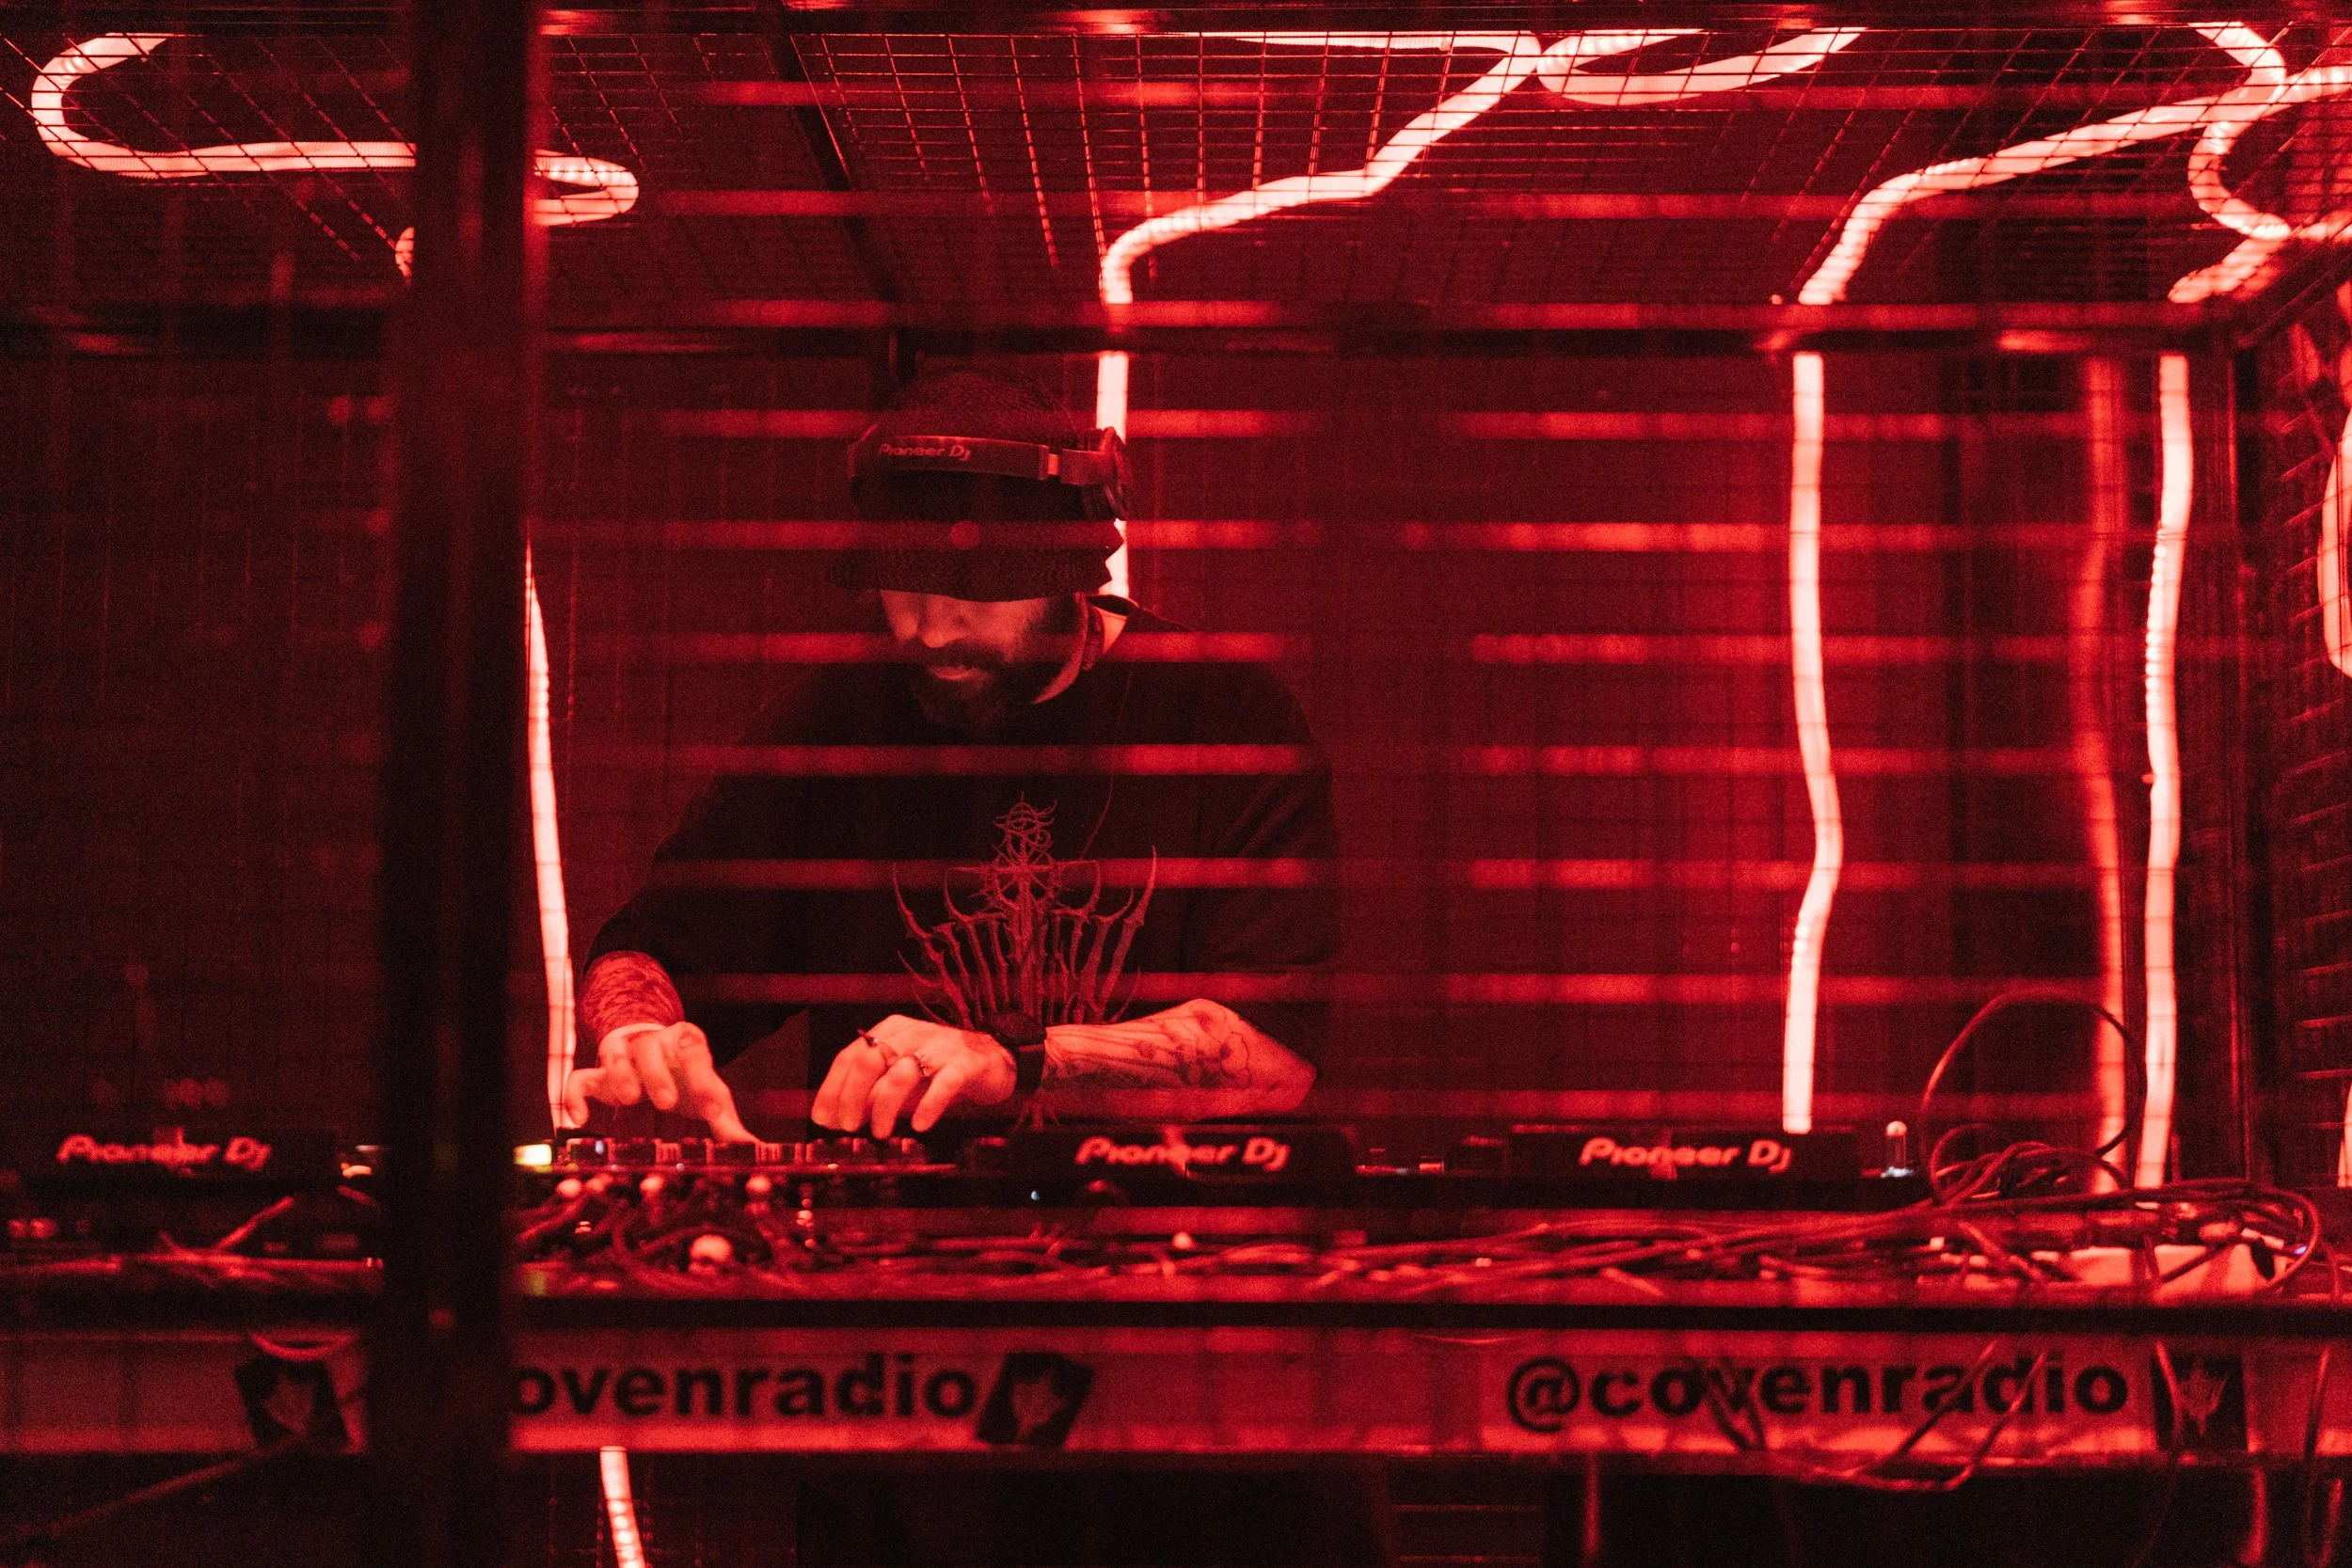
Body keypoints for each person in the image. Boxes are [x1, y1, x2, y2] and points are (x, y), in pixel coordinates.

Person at [563, 366, 1337, 1140]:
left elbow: (1273, 1054)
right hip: (888, 1213)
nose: (932, 631)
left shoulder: (1224, 714)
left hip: (1152, 1210)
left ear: (1064, 570)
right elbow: (647, 951)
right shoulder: (830, 728)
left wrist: (1011, 1060)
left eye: (974, 589)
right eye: (904, 586)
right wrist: (640, 1036)